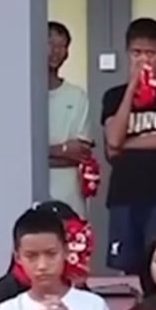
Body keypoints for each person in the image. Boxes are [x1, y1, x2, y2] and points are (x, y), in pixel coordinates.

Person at [101, 17, 156, 275]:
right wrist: (132, 88)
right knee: (127, 267)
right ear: (127, 53)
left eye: (150, 53)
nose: (143, 60)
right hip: (124, 194)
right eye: (137, 53)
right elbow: (113, 139)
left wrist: (125, 144)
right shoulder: (114, 96)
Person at [48, 21, 94, 215]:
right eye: (50, 44)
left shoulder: (77, 96)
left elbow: (81, 152)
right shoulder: (22, 95)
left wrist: (37, 154)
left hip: (69, 196)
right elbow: (15, 154)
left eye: (62, 46)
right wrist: (63, 150)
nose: (56, 51)